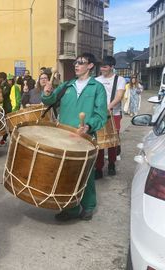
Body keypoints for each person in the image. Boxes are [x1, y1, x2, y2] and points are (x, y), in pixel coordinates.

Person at [42, 53, 108, 221]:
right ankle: (70, 208)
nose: (76, 66)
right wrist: (47, 92)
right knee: (66, 173)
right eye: (75, 63)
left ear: (90, 66)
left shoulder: (97, 87)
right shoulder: (67, 85)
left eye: (81, 63)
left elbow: (101, 114)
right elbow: (49, 100)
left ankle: (89, 206)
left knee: (86, 173)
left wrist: (88, 125)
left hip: (85, 137)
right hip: (64, 136)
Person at [95, 56, 126, 178]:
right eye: (101, 66)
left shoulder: (120, 79)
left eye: (105, 66)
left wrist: (108, 107)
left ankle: (112, 164)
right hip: (99, 114)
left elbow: (119, 96)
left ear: (112, 67)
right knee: (100, 141)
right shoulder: (96, 79)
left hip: (114, 113)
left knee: (112, 141)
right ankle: (98, 168)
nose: (102, 68)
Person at [0, 74, 21, 146]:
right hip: (7, 108)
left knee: (11, 125)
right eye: (8, 80)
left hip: (11, 109)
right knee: (8, 125)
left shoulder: (14, 87)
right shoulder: (7, 87)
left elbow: (17, 99)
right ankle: (9, 140)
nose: (9, 81)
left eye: (10, 80)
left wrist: (15, 109)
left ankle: (12, 140)